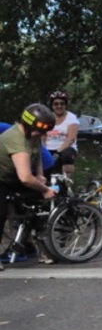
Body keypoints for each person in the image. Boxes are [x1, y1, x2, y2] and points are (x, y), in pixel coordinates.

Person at [0, 105, 59, 265]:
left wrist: (39, 175)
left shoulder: (33, 135)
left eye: (43, 132)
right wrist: (45, 189)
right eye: (38, 131)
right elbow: (25, 177)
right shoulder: (16, 139)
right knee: (1, 213)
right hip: (3, 178)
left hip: (14, 177)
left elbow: (37, 154)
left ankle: (31, 247)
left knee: (35, 206)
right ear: (27, 125)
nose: (40, 135)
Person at [44, 90, 79, 178]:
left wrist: (58, 152)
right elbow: (42, 136)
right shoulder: (47, 117)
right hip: (48, 147)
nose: (59, 106)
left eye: (62, 104)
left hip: (65, 147)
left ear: (65, 105)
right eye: (56, 104)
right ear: (52, 105)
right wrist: (43, 149)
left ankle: (66, 181)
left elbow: (71, 139)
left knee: (66, 155)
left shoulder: (71, 117)